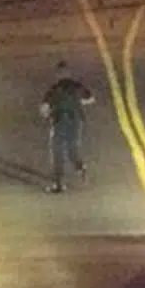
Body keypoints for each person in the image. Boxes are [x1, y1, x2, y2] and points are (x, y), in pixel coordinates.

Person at [39, 61, 96, 193]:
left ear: (58, 74)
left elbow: (44, 108)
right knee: (72, 148)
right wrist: (78, 102)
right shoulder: (77, 86)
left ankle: (58, 183)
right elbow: (91, 98)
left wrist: (47, 114)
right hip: (75, 121)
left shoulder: (54, 89)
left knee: (57, 151)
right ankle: (80, 168)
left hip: (59, 121)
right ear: (69, 73)